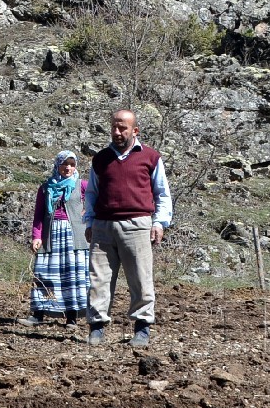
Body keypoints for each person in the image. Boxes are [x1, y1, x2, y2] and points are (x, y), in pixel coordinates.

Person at [83, 109, 172, 348]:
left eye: (122, 128)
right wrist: (89, 221)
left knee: (141, 278)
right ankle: (97, 328)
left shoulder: (150, 157)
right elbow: (92, 192)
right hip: (103, 226)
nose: (116, 132)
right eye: (114, 126)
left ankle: (142, 329)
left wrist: (159, 222)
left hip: (137, 224)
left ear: (135, 131)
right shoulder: (101, 159)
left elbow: (162, 193)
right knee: (98, 278)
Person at [21, 150, 89, 328]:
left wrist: (87, 214)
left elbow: (97, 201)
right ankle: (38, 314)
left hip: (74, 237)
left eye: (72, 164)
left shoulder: (82, 185)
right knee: (45, 274)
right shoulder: (46, 188)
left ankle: (72, 317)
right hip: (50, 236)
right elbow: (38, 215)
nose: (68, 168)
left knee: (71, 276)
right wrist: (36, 236)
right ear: (57, 165)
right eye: (65, 164)